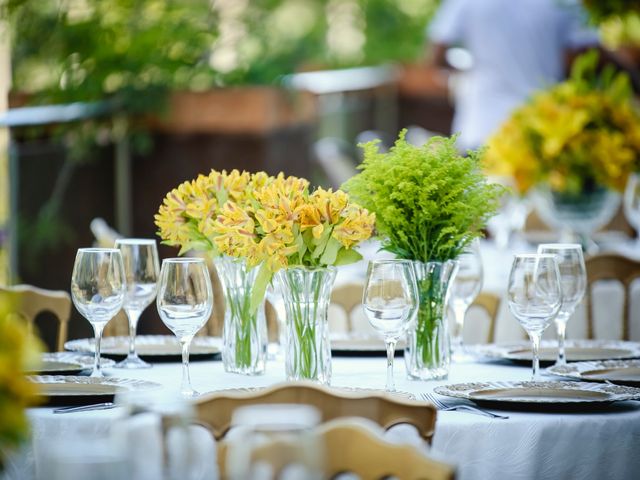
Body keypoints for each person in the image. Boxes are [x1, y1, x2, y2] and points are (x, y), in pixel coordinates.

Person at [428, 0, 600, 151]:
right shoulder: (567, 3)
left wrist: (467, 72)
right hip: (543, 130)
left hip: (482, 127)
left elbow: (435, 55)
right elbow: (585, 59)